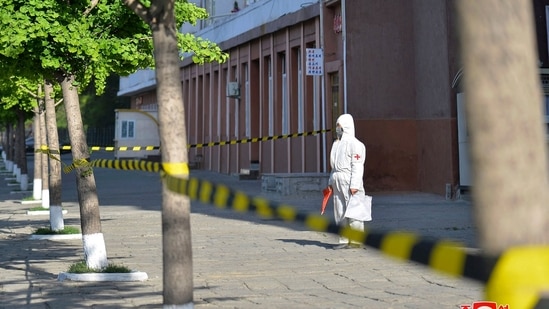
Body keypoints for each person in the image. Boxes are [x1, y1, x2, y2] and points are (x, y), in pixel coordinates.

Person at [327, 114, 367, 249]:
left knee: (354, 211)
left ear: (346, 126)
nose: (337, 129)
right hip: (337, 180)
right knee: (339, 211)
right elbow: (333, 166)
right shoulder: (336, 144)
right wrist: (330, 182)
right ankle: (344, 239)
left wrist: (355, 184)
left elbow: (357, 166)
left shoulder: (356, 145)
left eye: (339, 126)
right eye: (337, 126)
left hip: (349, 180)